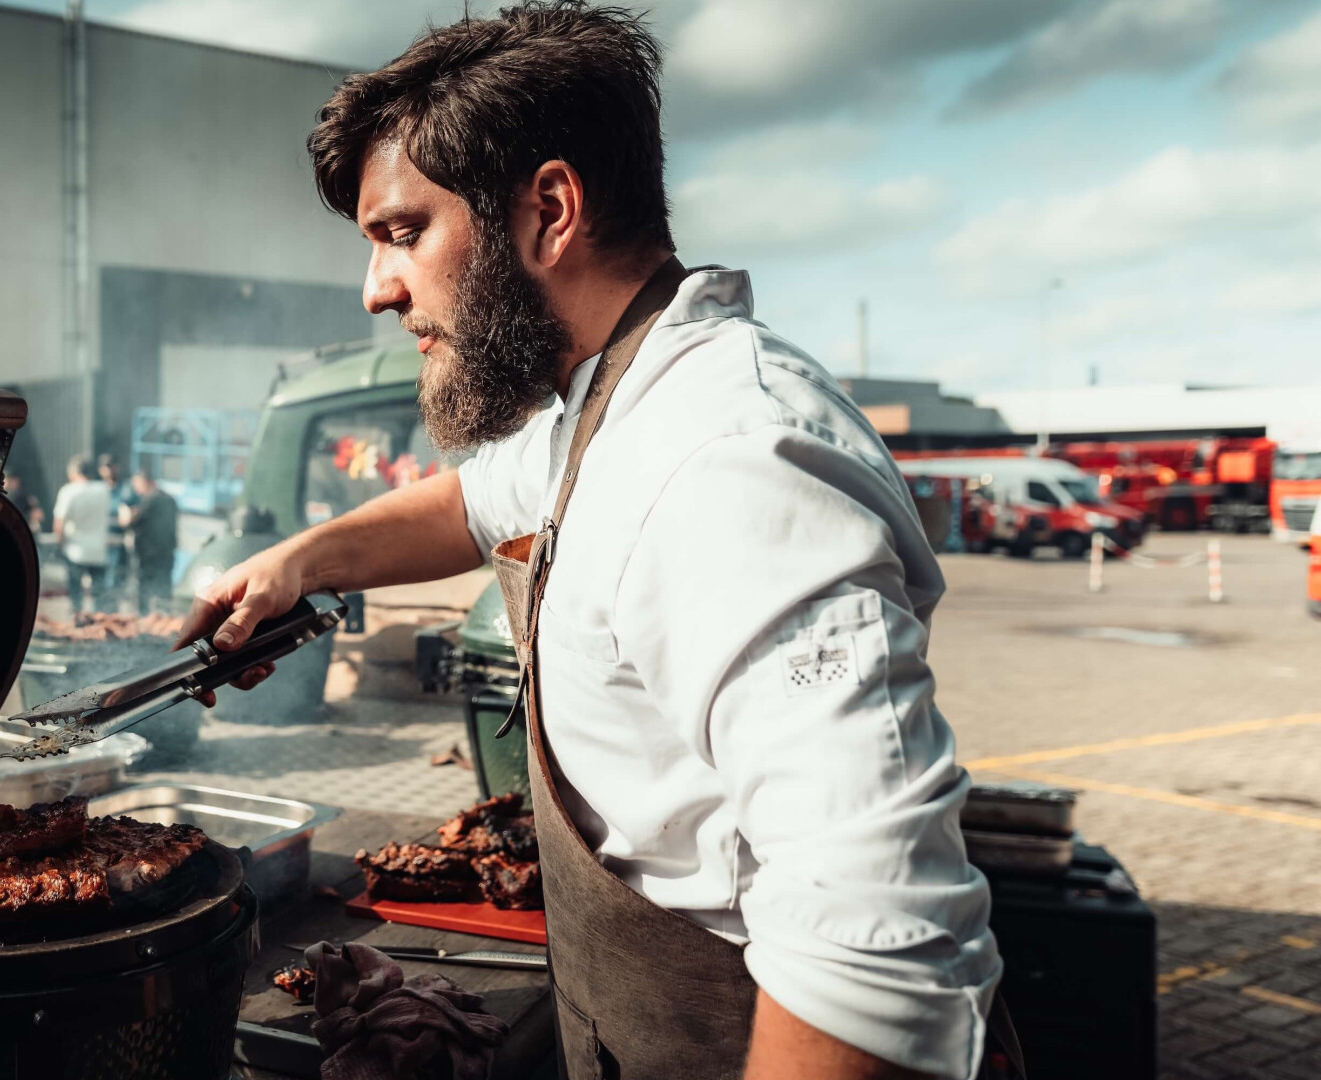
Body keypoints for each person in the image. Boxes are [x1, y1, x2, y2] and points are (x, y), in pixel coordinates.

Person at [179, 8, 1003, 1080]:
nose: (378, 290)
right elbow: (476, 500)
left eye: (402, 233)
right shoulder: (601, 407)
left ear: (549, 212)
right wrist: (303, 559)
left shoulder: (727, 458)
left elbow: (882, 949)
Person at [50, 455, 109, 615]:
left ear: (74, 471)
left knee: (76, 594)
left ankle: (78, 620)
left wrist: (59, 543)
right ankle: (100, 622)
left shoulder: (69, 491)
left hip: (74, 551)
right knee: (99, 594)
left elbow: (59, 523)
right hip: (98, 551)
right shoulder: (103, 489)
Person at [121, 471, 178, 614]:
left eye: (137, 484)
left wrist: (127, 516)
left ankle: (145, 619)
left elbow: (132, 523)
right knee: (164, 588)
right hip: (167, 552)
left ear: (145, 482)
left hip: (148, 554)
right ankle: (164, 618)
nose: (136, 489)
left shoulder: (149, 499)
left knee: (144, 588)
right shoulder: (170, 499)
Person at [97, 454, 133, 599]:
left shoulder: (125, 490)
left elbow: (129, 514)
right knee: (98, 586)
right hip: (99, 545)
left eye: (111, 466)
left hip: (117, 546)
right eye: (106, 467)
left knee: (115, 585)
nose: (109, 470)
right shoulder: (97, 490)